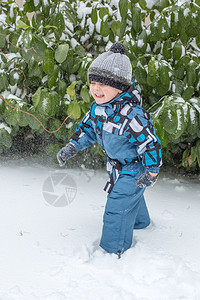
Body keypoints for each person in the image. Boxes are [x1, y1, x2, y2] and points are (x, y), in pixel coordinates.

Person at [57, 42, 162, 258]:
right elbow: (87, 130)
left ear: (120, 87)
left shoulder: (131, 115)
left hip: (135, 168)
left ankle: (113, 250)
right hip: (117, 167)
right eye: (93, 82)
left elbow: (150, 142)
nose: (95, 88)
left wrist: (151, 171)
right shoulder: (98, 110)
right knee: (131, 196)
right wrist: (72, 146)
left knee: (117, 205)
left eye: (103, 84)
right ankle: (142, 223)